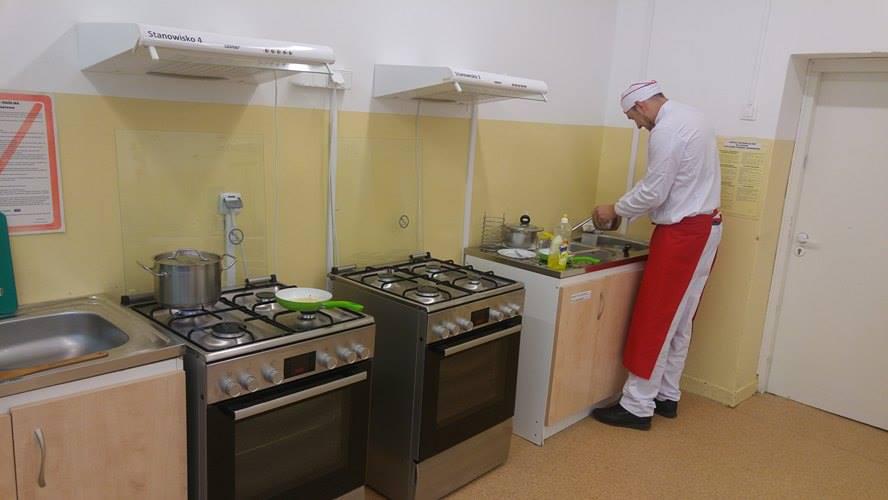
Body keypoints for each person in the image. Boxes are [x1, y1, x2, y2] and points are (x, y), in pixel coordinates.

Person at [591, 80, 722, 431]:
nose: (637, 125)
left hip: (683, 234)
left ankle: (637, 405)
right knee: (680, 319)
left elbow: (654, 190)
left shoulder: (666, 129)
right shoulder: (693, 116)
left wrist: (615, 209)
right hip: (706, 228)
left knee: (656, 317)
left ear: (641, 106)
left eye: (632, 117)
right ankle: (666, 395)